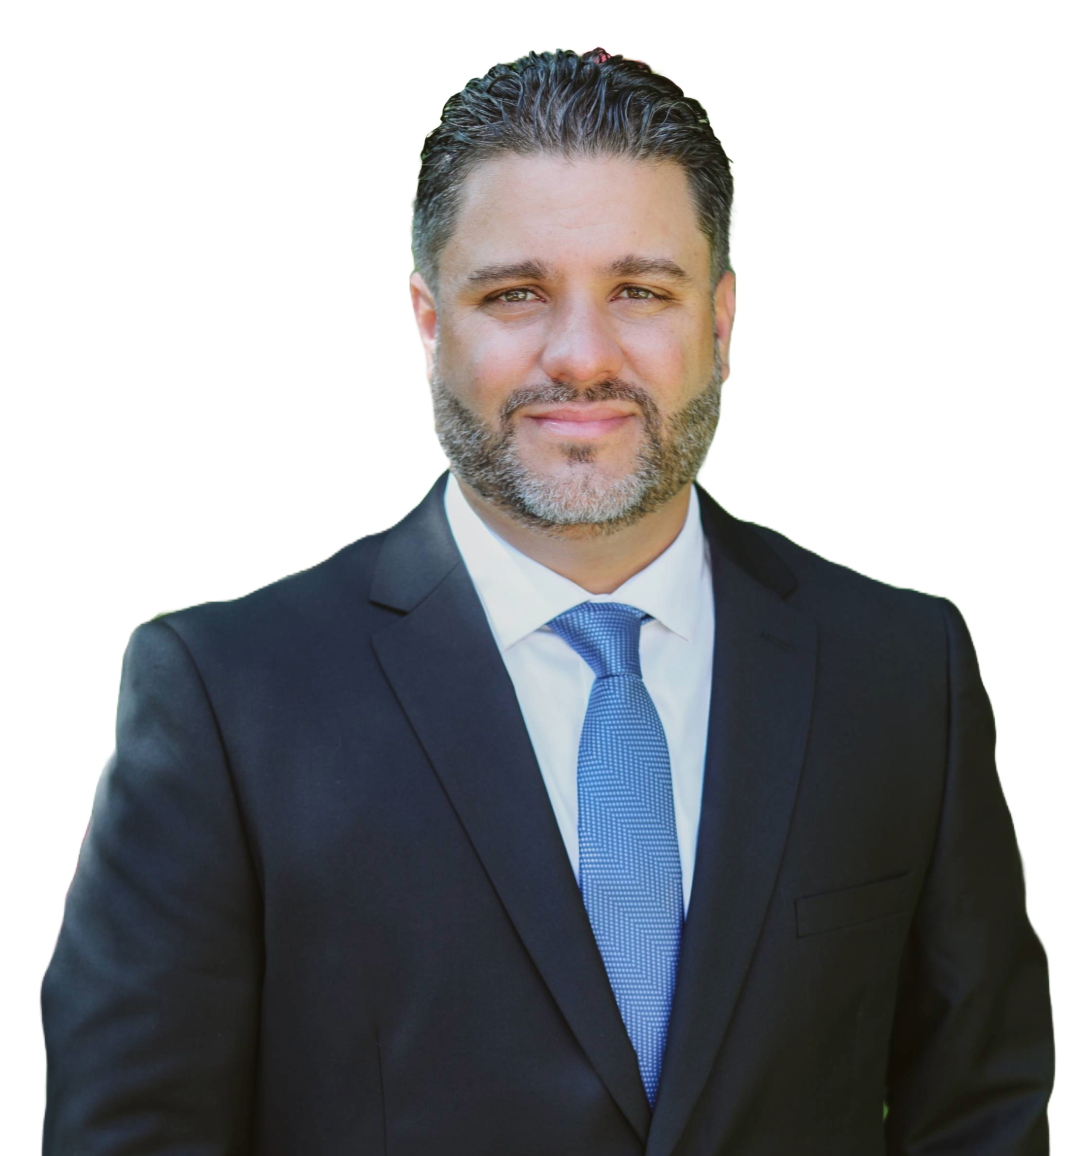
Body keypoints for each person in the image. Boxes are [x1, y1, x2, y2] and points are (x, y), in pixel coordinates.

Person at [40, 47, 1054, 1154]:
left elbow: (982, 1110)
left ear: (721, 321)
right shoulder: (226, 696)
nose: (580, 356)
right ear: (429, 322)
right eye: (516, 293)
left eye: (640, 291)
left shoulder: (903, 668)